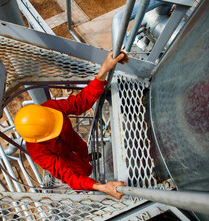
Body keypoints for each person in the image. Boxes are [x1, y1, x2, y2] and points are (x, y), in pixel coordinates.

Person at [14, 51, 128, 199]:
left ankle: (88, 160)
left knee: (84, 154)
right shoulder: (37, 151)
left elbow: (79, 103)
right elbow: (68, 175)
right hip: (68, 160)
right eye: (54, 128)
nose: (59, 126)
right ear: (39, 139)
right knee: (83, 173)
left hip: (76, 144)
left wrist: (103, 71)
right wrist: (100, 187)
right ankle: (89, 175)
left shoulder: (51, 108)